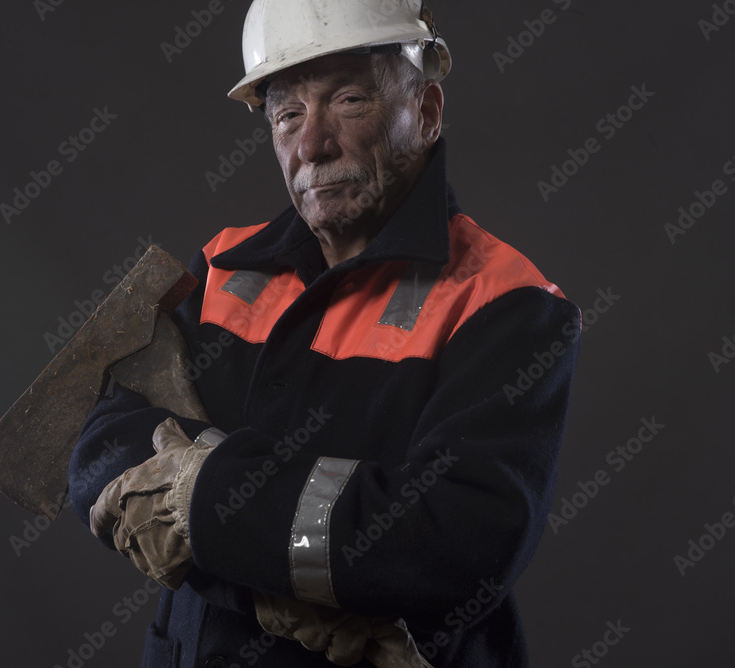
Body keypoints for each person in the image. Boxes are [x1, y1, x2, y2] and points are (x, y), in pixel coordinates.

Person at [69, 1, 581, 666]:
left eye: (346, 99)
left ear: (425, 112)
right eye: (286, 114)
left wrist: (207, 497)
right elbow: (100, 447)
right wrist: (270, 593)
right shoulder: (223, 266)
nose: (311, 144)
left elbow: (451, 545)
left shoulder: (506, 303)